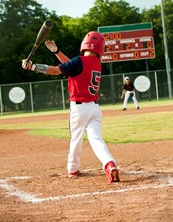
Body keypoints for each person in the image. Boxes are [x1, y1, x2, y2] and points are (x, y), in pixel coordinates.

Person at [22, 31, 120, 183]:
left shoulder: (79, 61)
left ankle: (73, 169)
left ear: (84, 44)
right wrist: (57, 52)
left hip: (79, 109)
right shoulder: (96, 63)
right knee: (96, 139)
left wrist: (33, 67)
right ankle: (109, 164)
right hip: (94, 109)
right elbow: (71, 67)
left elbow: (57, 70)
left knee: (76, 139)